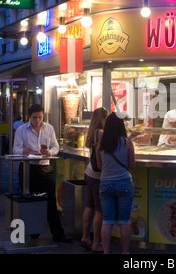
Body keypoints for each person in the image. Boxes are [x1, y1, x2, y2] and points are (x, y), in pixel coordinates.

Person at [13, 104, 72, 243]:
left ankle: (58, 234)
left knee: (50, 201)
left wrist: (49, 152)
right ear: (29, 117)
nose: (37, 120)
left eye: (40, 117)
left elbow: (55, 146)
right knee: (31, 199)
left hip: (45, 167)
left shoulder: (49, 128)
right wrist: (23, 151)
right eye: (35, 117)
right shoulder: (22, 130)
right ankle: (33, 233)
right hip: (28, 168)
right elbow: (15, 148)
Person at [99, 112, 136, 254]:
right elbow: (132, 165)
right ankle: (125, 252)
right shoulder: (127, 143)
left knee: (107, 221)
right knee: (124, 221)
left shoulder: (101, 144)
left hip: (106, 184)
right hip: (124, 184)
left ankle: (106, 251)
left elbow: (100, 165)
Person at [80, 107, 108, 253]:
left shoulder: (91, 132)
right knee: (100, 210)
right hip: (98, 176)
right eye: (106, 118)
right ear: (102, 119)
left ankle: (85, 236)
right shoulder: (102, 133)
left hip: (89, 173)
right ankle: (96, 242)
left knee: (89, 206)